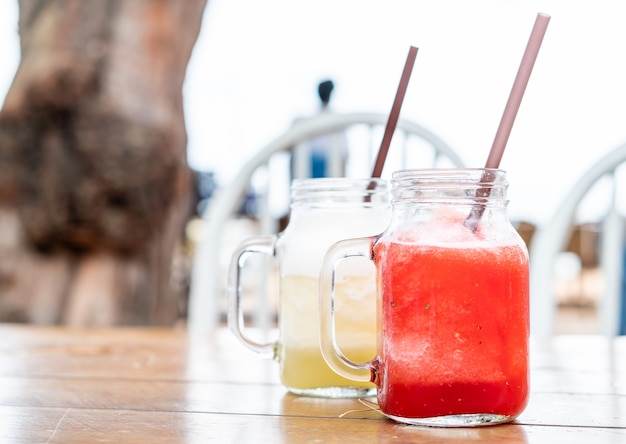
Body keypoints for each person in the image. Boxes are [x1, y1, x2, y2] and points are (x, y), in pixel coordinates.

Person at [291, 79, 349, 179]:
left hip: (328, 174)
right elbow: (344, 157)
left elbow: (343, 157)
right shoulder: (303, 122)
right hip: (311, 173)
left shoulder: (338, 123)